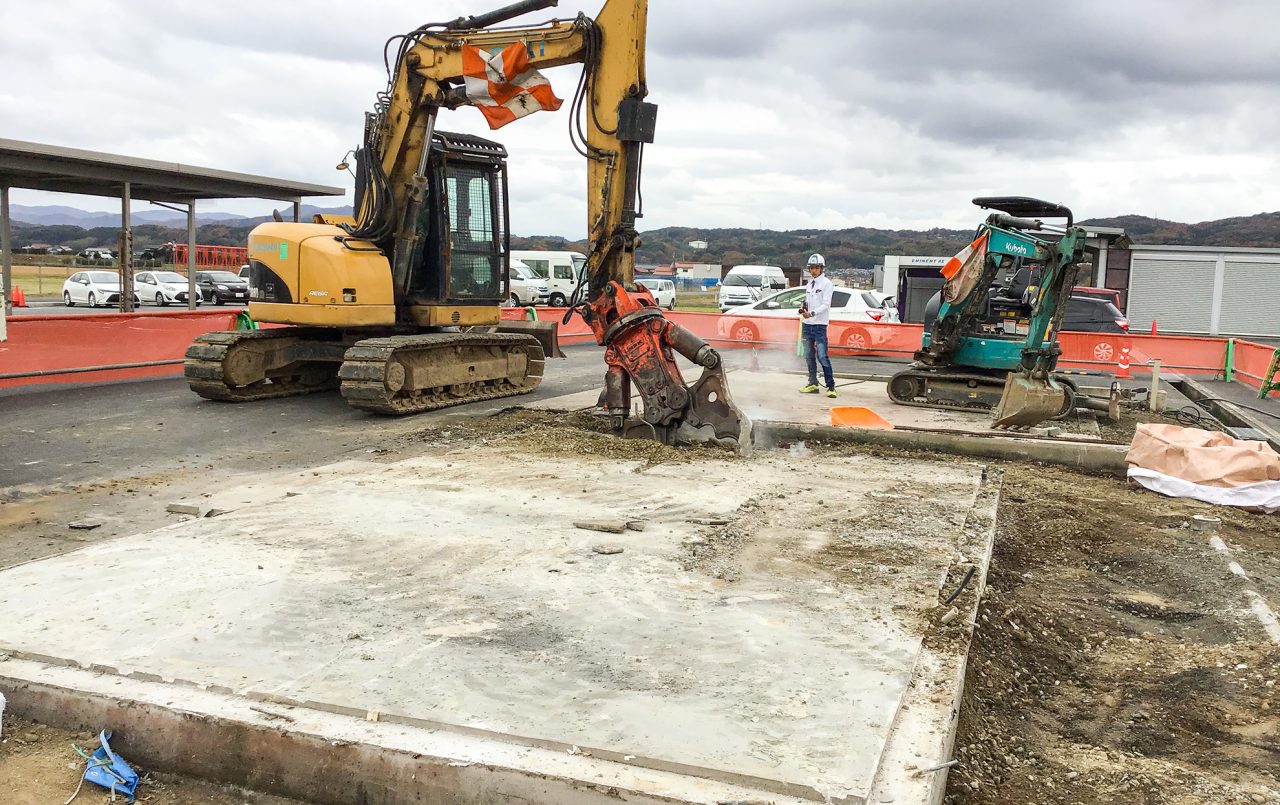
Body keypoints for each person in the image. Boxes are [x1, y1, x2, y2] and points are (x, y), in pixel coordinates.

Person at [799, 253, 837, 397]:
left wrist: (812, 313)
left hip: (819, 325)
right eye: (811, 268)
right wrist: (804, 310)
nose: (813, 270)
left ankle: (831, 386)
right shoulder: (809, 284)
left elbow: (826, 305)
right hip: (807, 324)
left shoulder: (827, 284)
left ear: (822, 268)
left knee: (822, 356)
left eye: (816, 268)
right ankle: (813, 383)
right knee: (809, 356)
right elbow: (808, 302)